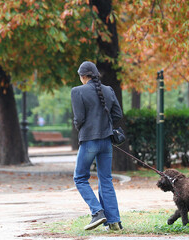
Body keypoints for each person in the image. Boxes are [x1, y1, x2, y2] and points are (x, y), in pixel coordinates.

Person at [71, 61, 123, 231]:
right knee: (106, 180)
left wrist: (84, 129)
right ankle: (114, 221)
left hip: (89, 140)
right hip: (107, 141)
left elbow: (78, 119)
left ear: (83, 76)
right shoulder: (108, 90)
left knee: (80, 177)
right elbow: (117, 114)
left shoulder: (77, 91)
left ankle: (97, 212)